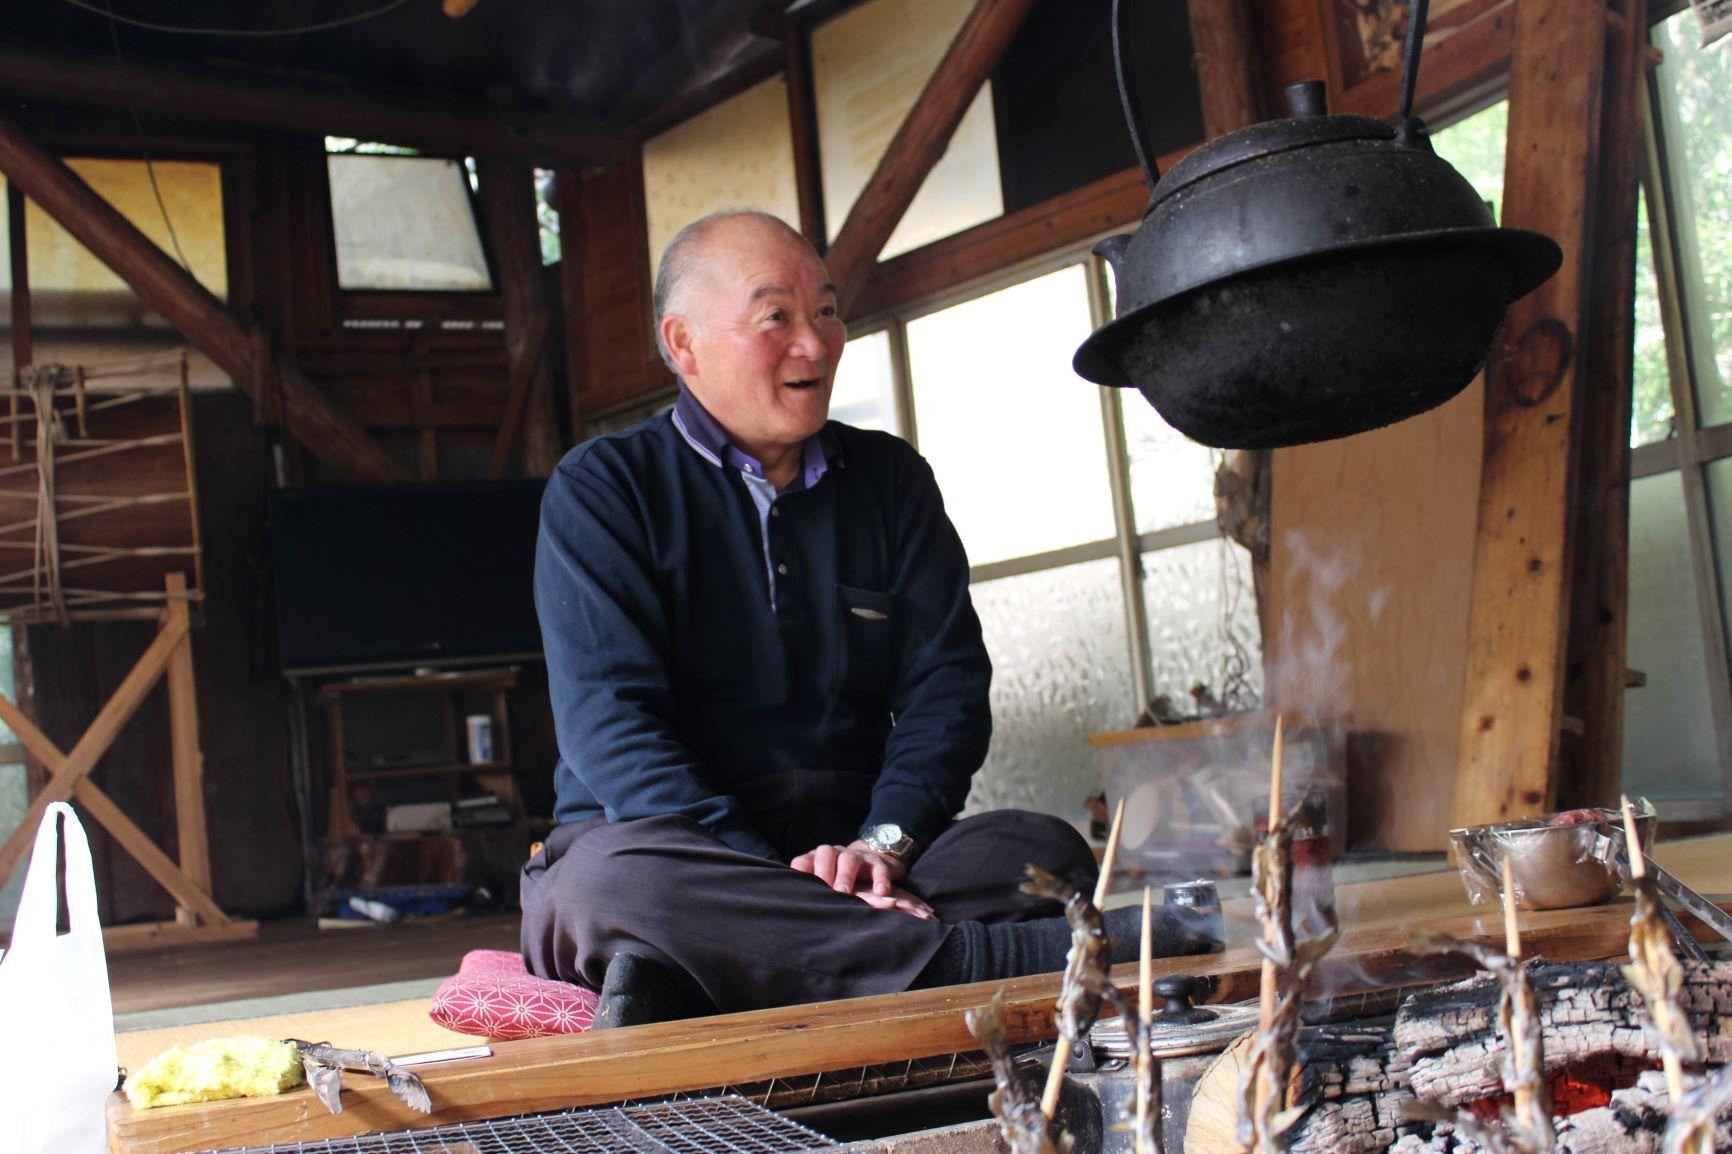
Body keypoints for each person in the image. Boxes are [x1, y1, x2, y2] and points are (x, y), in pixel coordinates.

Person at [521, 210, 1213, 1028]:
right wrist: (768, 875)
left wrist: (881, 846)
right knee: (604, 887)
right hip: (680, 848)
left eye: (826, 311)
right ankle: (973, 959)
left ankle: (697, 972)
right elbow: (611, 727)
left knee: (1040, 848)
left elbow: (946, 691)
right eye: (776, 317)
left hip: (857, 850)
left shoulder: (890, 480)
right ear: (684, 345)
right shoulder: (605, 488)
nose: (815, 344)